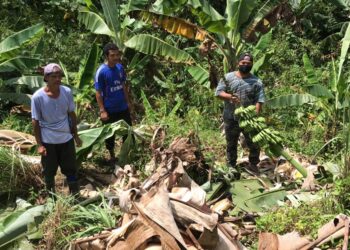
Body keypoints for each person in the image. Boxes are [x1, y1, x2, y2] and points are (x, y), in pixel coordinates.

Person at [31, 63, 82, 194]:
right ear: (46, 78)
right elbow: (35, 121)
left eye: (59, 76)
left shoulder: (66, 92)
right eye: (54, 76)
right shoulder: (38, 97)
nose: (58, 79)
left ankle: (75, 195)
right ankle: (52, 198)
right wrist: (40, 145)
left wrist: (75, 135)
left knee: (70, 168)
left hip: (66, 138)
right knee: (49, 171)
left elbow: (72, 114)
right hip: (48, 140)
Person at [215, 52, 265, 175]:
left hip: (248, 119)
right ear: (238, 63)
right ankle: (231, 165)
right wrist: (230, 97)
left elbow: (260, 99)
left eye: (248, 63)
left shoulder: (256, 81)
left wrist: (255, 115)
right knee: (231, 142)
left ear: (252, 64)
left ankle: (253, 164)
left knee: (253, 143)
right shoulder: (228, 78)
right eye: (243, 63)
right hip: (230, 117)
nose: (245, 65)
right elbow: (218, 93)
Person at [94, 43, 132, 163]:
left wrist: (128, 102)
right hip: (109, 109)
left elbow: (123, 86)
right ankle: (111, 155)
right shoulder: (101, 72)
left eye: (117, 54)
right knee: (110, 135)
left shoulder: (120, 68)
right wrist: (102, 110)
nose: (116, 57)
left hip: (122, 107)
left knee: (128, 132)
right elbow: (98, 92)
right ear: (106, 56)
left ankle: (128, 155)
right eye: (112, 55)